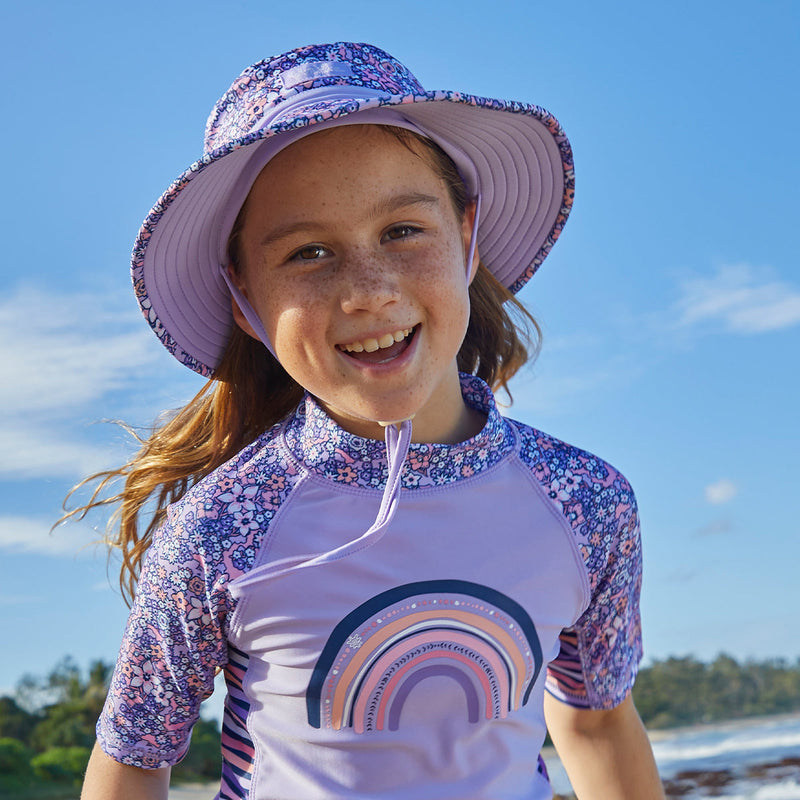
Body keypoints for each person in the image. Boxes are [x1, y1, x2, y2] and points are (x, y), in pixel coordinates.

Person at [74, 41, 664, 799]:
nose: (369, 291)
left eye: (402, 232)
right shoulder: (218, 532)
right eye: (309, 252)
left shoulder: (585, 502)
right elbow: (134, 760)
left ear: (467, 236)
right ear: (243, 299)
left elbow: (597, 721)